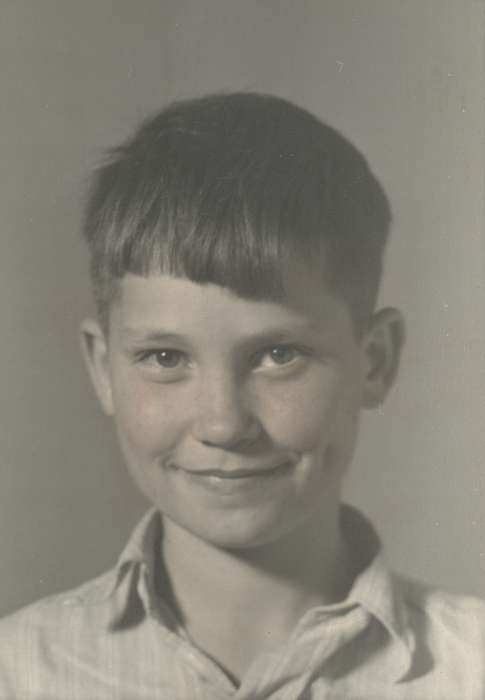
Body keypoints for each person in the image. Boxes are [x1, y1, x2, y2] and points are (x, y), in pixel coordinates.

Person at [0, 92, 483, 699]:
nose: (224, 424)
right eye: (165, 358)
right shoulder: (18, 672)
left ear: (376, 360)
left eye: (279, 355)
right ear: (103, 369)